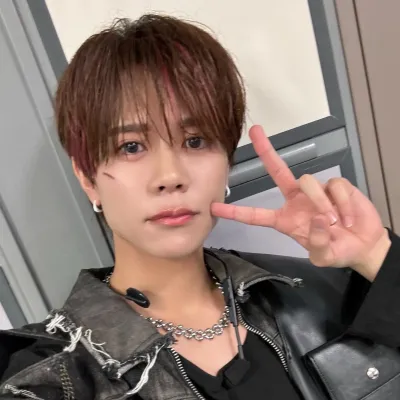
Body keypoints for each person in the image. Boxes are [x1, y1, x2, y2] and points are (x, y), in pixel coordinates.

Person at [0, 13, 399, 400]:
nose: (170, 175)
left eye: (195, 141)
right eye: (131, 147)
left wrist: (375, 256)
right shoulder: (52, 375)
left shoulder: (309, 294)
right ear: (88, 178)